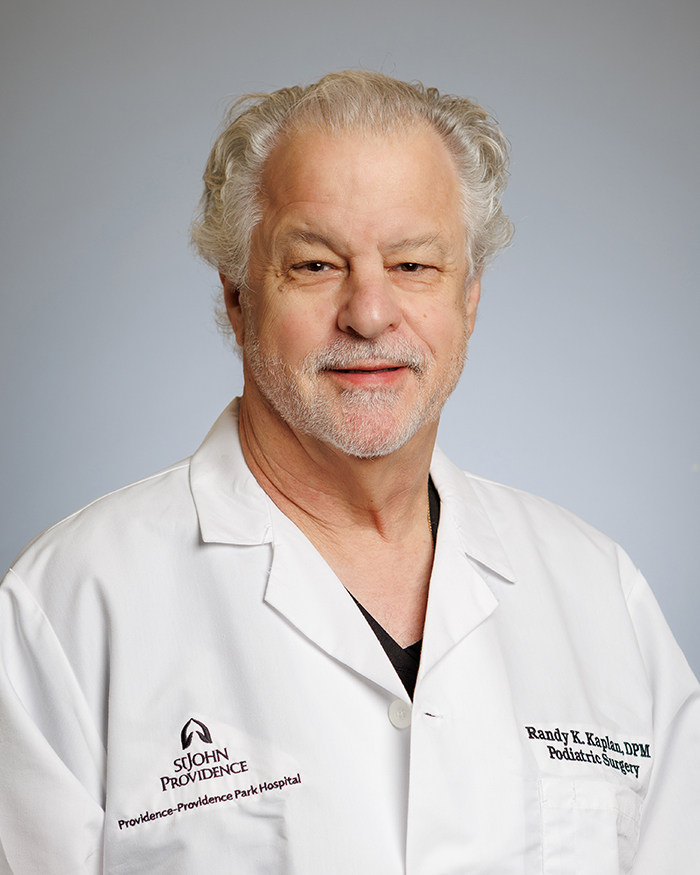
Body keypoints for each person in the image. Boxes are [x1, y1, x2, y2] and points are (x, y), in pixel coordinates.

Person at [0, 71, 697, 875]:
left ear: (469, 298)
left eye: (413, 265)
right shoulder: (66, 613)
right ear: (236, 295)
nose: (368, 313)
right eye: (316, 265)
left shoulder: (600, 596)